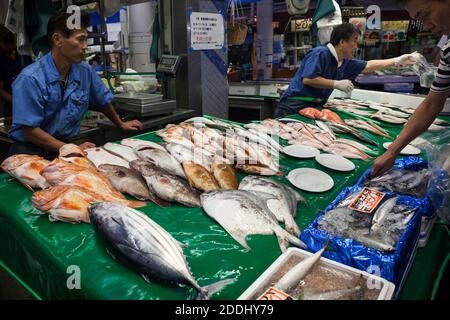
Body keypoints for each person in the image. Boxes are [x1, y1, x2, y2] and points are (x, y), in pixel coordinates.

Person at [8, 9, 143, 159]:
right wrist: (71, 148)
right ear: (58, 39)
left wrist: (120, 123)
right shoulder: (30, 79)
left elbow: (102, 101)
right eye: (80, 39)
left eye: (86, 39)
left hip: (62, 148)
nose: (85, 46)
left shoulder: (84, 70)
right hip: (29, 153)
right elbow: (30, 131)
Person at [371, 0, 450, 178]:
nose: (426, 25)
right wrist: (392, 151)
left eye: (424, 14)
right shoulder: (448, 51)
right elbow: (431, 104)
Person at [275, 23, 418, 117]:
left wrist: (398, 60)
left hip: (314, 108)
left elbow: (369, 65)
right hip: (293, 106)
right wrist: (336, 84)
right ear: (342, 42)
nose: (357, 46)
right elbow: (308, 79)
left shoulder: (345, 62)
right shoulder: (320, 53)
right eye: (354, 40)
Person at [0, 26, 32, 118]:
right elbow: (0, 90)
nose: (10, 46)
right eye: (5, 43)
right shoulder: (1, 60)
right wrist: (17, 101)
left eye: (11, 42)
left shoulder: (23, 53)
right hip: (9, 108)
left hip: (29, 102)